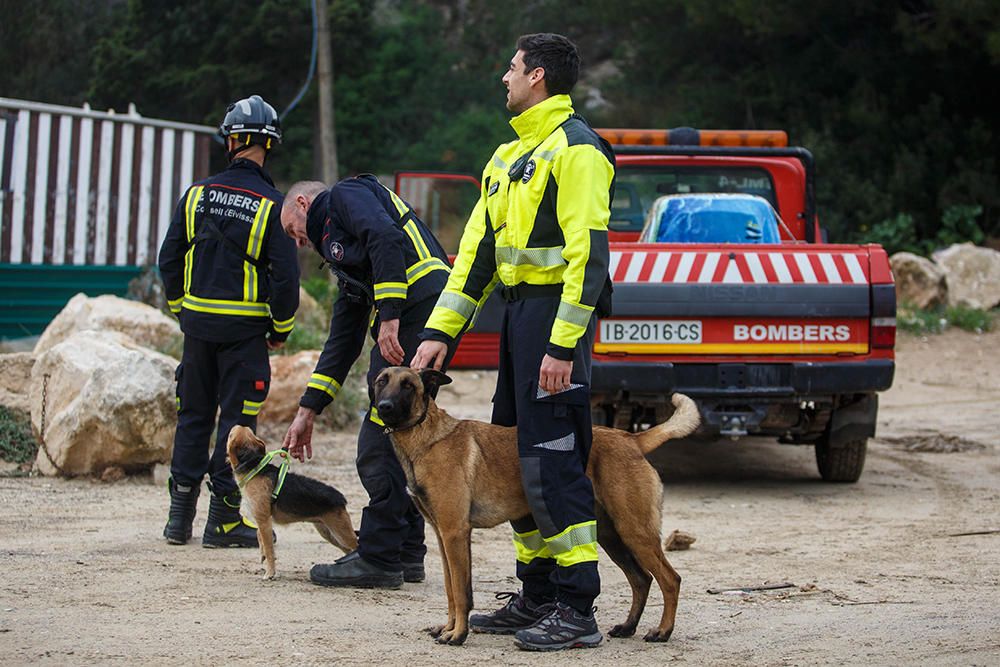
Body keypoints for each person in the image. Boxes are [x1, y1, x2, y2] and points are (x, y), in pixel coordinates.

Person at [411, 33, 616, 651]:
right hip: (516, 323)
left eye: (512, 67)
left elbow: (589, 258)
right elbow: (475, 256)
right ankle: (537, 595)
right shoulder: (505, 159)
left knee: (554, 462)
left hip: (555, 325)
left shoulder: (578, 150)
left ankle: (578, 608)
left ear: (539, 77)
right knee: (516, 460)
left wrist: (561, 347)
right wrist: (438, 335)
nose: (504, 77)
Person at [280, 175, 453, 589]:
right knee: (404, 436)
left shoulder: (344, 196)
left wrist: (390, 314)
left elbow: (386, 237)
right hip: (424, 307)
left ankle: (378, 557)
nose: (297, 242)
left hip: (417, 307)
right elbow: (341, 341)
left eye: (292, 229)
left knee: (377, 438)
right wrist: (308, 410)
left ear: (303, 203)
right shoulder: (349, 260)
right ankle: (405, 553)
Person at [158, 94, 300, 548]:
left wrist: (181, 308)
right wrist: (279, 329)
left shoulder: (196, 194)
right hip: (244, 337)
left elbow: (169, 258)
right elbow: (286, 280)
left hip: (197, 330)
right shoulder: (273, 206)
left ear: (231, 140)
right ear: (268, 146)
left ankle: (178, 521)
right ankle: (221, 523)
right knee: (237, 426)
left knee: (192, 417)